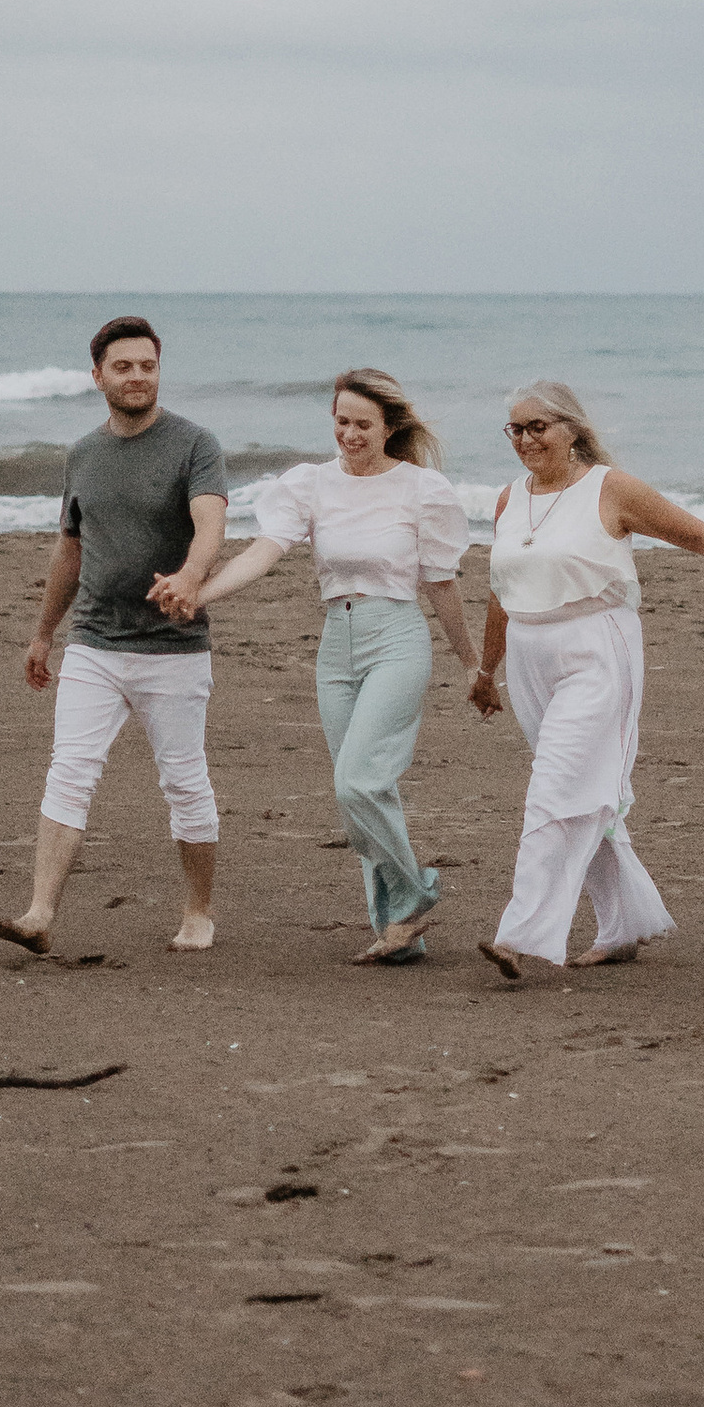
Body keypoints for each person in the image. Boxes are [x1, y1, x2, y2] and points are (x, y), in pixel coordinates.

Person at [473, 380, 704, 980]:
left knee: (555, 787)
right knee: (585, 788)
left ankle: (519, 932)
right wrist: (486, 669)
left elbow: (695, 535)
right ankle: (625, 925)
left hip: (597, 648)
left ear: (572, 429)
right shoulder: (508, 499)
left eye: (537, 427)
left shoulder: (611, 488)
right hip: (528, 654)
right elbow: (503, 593)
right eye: (515, 430)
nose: (525, 440)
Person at [169, 369, 478, 966]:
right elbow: (264, 551)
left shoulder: (423, 489)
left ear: (389, 427)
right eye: (342, 422)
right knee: (363, 793)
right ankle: (395, 932)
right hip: (336, 646)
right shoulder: (310, 484)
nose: (350, 434)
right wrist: (200, 593)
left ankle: (415, 892)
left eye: (363, 424)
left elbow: (441, 585)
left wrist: (471, 665)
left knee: (356, 781)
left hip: (397, 638)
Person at [0, 316, 229, 958]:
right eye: (123, 367)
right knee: (69, 772)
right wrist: (44, 633)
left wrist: (188, 575)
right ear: (98, 377)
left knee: (184, 781)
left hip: (172, 648)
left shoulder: (194, 444)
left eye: (148, 366)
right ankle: (39, 913)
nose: (138, 377)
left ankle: (198, 912)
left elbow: (211, 525)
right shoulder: (84, 454)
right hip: (95, 643)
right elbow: (70, 548)